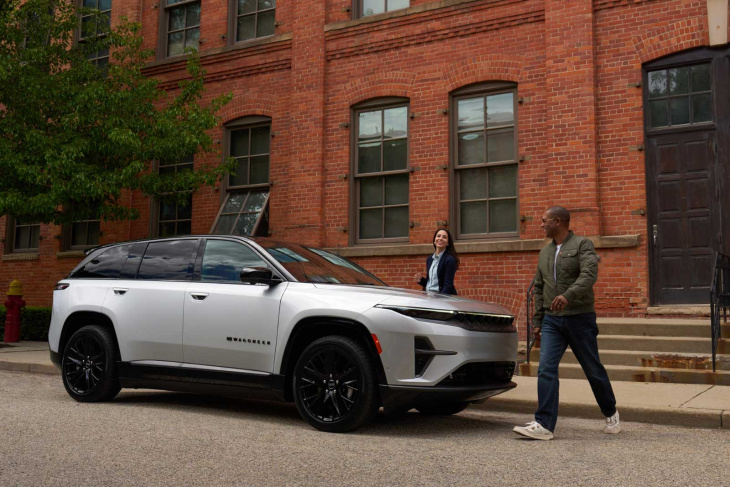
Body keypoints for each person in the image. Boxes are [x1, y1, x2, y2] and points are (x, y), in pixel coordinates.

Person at [513, 206, 619, 440]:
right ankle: (544, 424)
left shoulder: (583, 245)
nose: (541, 225)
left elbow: (589, 275)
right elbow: (539, 287)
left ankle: (610, 411)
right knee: (546, 369)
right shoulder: (544, 253)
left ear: (558, 221)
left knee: (593, 370)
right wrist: (538, 320)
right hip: (552, 320)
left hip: (580, 319)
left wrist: (568, 295)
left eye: (544, 221)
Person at [414, 228, 459, 295]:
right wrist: (422, 280)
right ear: (434, 241)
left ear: (448, 243)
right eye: (438, 236)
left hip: (442, 300)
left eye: (444, 237)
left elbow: (448, 285)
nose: (440, 238)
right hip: (429, 297)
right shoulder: (430, 259)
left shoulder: (449, 260)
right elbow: (432, 283)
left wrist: (440, 301)